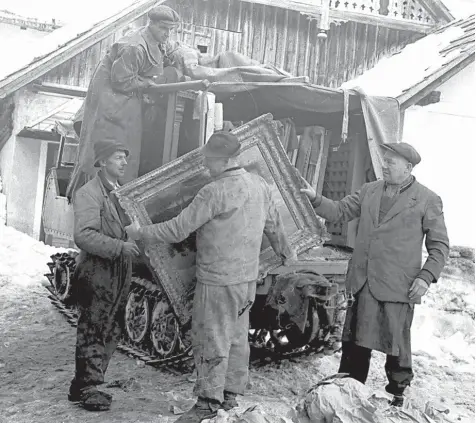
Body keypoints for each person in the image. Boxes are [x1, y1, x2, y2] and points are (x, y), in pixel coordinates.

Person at [126, 132, 296, 423]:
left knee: (211, 338)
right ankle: (230, 395)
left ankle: (207, 402)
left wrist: (140, 233)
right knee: (237, 337)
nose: (206, 165)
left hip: (217, 280)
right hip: (245, 281)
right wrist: (285, 255)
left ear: (227, 160)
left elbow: (178, 229)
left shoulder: (214, 191)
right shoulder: (260, 186)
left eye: (210, 160)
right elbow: (274, 227)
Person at [300, 142, 449, 407]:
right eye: (385, 160)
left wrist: (425, 277)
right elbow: (339, 211)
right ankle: (349, 389)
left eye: (391, 161)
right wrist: (315, 198)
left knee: (397, 343)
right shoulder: (369, 190)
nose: (385, 165)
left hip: (398, 285)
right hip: (363, 281)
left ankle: (397, 393)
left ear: (408, 167)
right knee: (355, 339)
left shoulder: (428, 199)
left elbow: (439, 246)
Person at [66, 5, 181, 199]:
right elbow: (120, 80)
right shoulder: (134, 47)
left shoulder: (156, 39)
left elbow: (163, 54)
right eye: (163, 28)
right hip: (110, 95)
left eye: (170, 29)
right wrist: (146, 83)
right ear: (150, 24)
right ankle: (101, 195)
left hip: (126, 91)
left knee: (128, 142)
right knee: (112, 142)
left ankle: (119, 191)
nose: (167, 33)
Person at [68, 140, 140, 411]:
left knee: (110, 326)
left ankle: (82, 384)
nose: (123, 163)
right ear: (102, 162)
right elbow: (83, 235)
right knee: (95, 326)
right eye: (118, 158)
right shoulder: (89, 193)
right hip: (98, 269)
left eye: (124, 157)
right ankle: (89, 386)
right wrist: (120, 246)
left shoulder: (119, 192)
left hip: (118, 268)